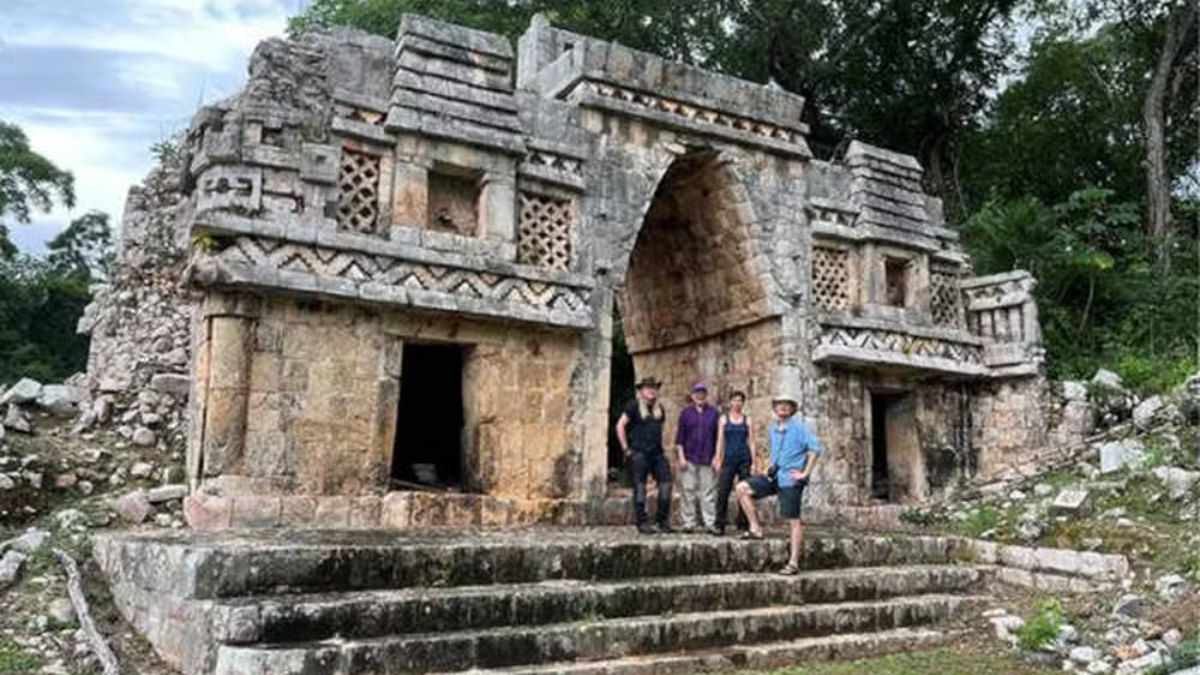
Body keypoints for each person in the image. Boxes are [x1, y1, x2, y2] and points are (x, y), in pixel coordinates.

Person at [734, 391, 823, 575]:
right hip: (774, 476)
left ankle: (793, 563)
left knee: (793, 520)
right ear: (774, 408)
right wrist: (768, 467)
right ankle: (755, 528)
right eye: (779, 404)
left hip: (790, 479)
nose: (782, 407)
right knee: (742, 488)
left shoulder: (799, 428)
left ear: (791, 409)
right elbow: (776, 451)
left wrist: (804, 473)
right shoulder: (773, 428)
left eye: (786, 404)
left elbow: (816, 448)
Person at [615, 376, 673, 535]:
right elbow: (620, 425)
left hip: (657, 453)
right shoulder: (633, 406)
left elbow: (660, 430)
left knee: (666, 484)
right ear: (641, 391)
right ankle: (642, 522)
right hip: (639, 452)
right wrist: (626, 449)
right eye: (648, 388)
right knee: (640, 487)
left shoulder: (659, 408)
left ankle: (662, 521)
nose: (652, 390)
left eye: (654, 387)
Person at [675, 382, 720, 534]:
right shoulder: (685, 413)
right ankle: (689, 523)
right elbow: (680, 438)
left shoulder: (714, 413)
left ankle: (709, 522)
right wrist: (681, 457)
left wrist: (717, 457)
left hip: (708, 456)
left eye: (702, 394)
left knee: (708, 491)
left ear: (706, 396)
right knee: (688, 490)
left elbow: (719, 438)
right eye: (697, 394)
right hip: (689, 456)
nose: (699, 396)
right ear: (692, 396)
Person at [712, 390, 755, 536]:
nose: (737, 403)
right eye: (735, 400)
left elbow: (752, 441)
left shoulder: (747, 419)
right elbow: (720, 440)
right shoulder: (724, 419)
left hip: (744, 458)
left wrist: (754, 461)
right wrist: (718, 458)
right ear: (730, 402)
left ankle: (743, 522)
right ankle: (719, 524)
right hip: (729, 459)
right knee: (723, 491)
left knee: (744, 491)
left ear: (743, 403)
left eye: (740, 400)